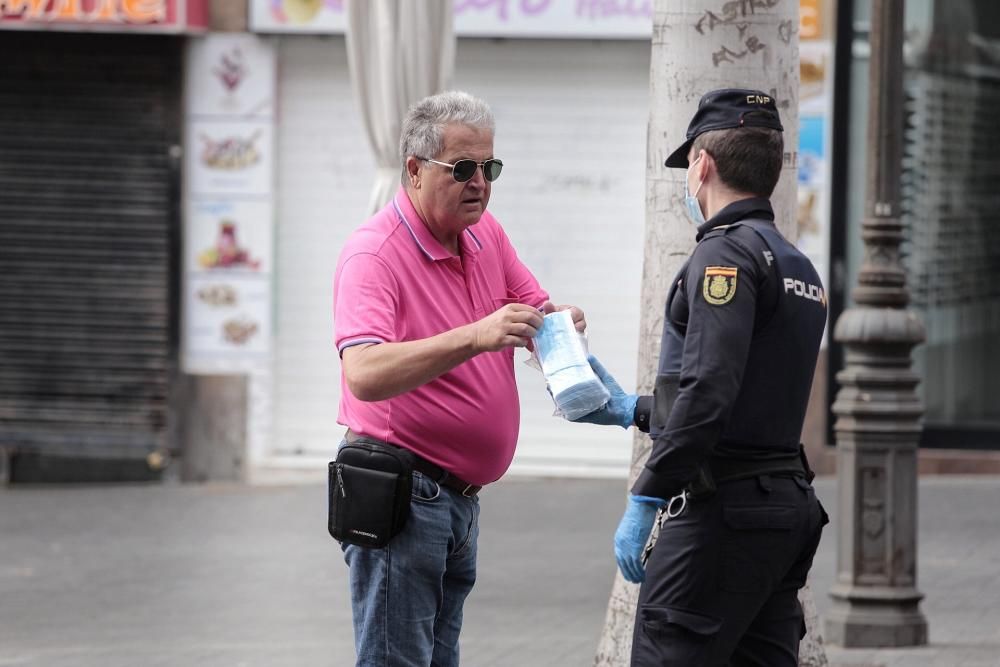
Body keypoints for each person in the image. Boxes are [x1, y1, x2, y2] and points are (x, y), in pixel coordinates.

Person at [573, 89, 829, 666]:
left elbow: (711, 392)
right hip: (782, 506)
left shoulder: (724, 258)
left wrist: (648, 493)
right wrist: (633, 409)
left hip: (722, 516)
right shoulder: (796, 265)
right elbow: (746, 390)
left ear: (702, 165)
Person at [333, 90, 584, 667]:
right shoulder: (373, 254)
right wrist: (476, 334)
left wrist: (560, 329)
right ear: (415, 171)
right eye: (463, 169)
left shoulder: (484, 233)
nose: (480, 183)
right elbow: (364, 374)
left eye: (489, 168)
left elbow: (532, 315)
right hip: (403, 491)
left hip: (460, 500)